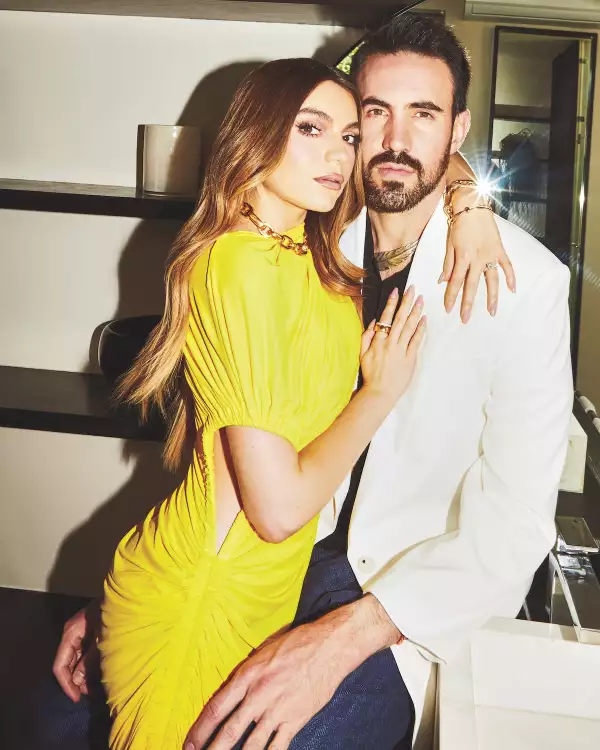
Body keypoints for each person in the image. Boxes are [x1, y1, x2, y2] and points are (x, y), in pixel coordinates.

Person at [41, 52, 512, 750]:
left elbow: (415, 149)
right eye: (310, 129)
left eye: (348, 136)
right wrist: (379, 394)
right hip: (204, 597)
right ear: (256, 133)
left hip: (262, 591)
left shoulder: (304, 244)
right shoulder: (236, 263)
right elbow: (278, 509)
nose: (339, 155)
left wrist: (470, 200)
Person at [179, 16, 573, 750]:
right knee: (68, 715)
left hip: (396, 597)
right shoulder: (309, 235)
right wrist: (154, 588)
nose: (396, 139)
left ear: (458, 130)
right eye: (375, 112)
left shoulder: (529, 286)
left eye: (423, 114)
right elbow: (241, 423)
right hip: (271, 553)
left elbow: (517, 521)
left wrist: (343, 637)